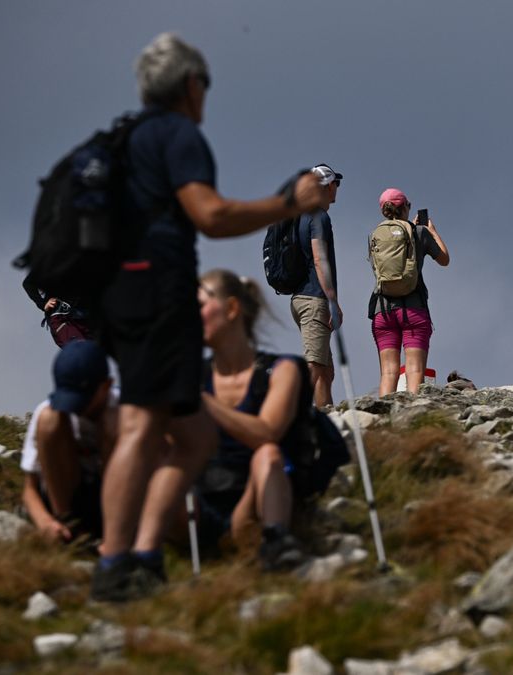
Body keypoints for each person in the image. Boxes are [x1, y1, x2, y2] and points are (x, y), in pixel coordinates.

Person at [91, 33, 329, 602]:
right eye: (206, 86)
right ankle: (114, 563)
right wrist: (291, 204)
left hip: (122, 293)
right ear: (191, 85)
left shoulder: (124, 139)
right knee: (147, 427)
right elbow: (211, 215)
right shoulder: (177, 134)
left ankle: (144, 558)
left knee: (191, 433)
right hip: (159, 294)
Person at [197, 269, 312, 570]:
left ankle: (275, 539)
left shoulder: (281, 370)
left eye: (197, 306)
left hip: (253, 499)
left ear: (232, 308)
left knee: (268, 453)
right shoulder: (195, 376)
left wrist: (201, 401)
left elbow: (267, 433)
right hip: (200, 502)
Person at [21, 341, 118, 544]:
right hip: (71, 495)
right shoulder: (49, 411)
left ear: (106, 386)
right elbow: (29, 488)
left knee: (114, 420)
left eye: (83, 400)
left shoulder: (124, 407)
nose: (75, 409)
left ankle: (116, 528)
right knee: (49, 420)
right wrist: (44, 521)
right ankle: (66, 523)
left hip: (119, 500)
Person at [368, 188, 450, 396]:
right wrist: (431, 231)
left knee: (388, 373)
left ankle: (383, 415)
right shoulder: (418, 232)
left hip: (383, 310)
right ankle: (412, 416)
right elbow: (444, 260)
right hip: (414, 309)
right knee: (414, 369)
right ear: (405, 207)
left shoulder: (374, 236)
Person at [290, 163, 343, 408]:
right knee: (314, 365)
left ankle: (325, 418)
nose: (337, 189)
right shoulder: (319, 217)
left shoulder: (300, 216)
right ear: (329, 185)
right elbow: (320, 258)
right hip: (315, 299)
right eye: (336, 184)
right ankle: (290, 413)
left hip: (300, 297)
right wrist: (332, 300)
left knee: (325, 370)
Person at [23, 277, 97, 347]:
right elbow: (28, 283)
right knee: (80, 349)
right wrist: (42, 304)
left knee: (94, 352)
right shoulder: (51, 265)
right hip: (60, 316)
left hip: (84, 315)